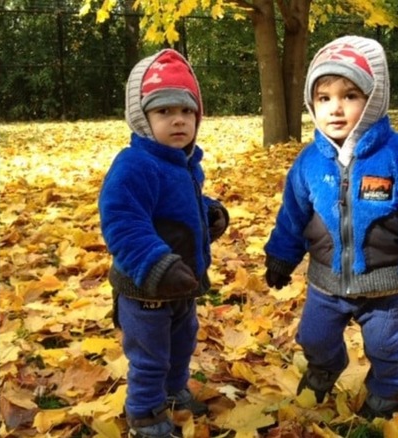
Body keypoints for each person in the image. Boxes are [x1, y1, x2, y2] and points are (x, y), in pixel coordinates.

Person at [263, 35, 398, 419]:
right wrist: (281, 255)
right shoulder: (308, 163)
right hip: (325, 283)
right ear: (311, 104)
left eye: (349, 95)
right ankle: (324, 368)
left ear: (373, 100)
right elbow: (293, 214)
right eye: (323, 97)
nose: (335, 108)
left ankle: (390, 389)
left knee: (385, 346)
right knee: (314, 338)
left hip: (385, 285)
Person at [98, 48, 229, 437]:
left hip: (181, 284)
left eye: (187, 112)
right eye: (164, 112)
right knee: (150, 356)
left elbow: (181, 206)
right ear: (142, 119)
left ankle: (173, 392)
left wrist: (208, 212)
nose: (178, 120)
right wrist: (156, 264)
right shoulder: (134, 166)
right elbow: (123, 221)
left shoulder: (186, 163)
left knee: (181, 344)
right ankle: (144, 411)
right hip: (145, 288)